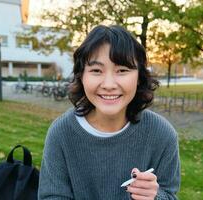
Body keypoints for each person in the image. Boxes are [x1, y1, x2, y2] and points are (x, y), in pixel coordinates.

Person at [38, 25, 180, 200]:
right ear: (81, 76)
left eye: (122, 71)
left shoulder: (162, 134)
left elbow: (169, 194)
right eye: (96, 71)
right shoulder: (61, 133)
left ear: (139, 77)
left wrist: (155, 196)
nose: (109, 84)